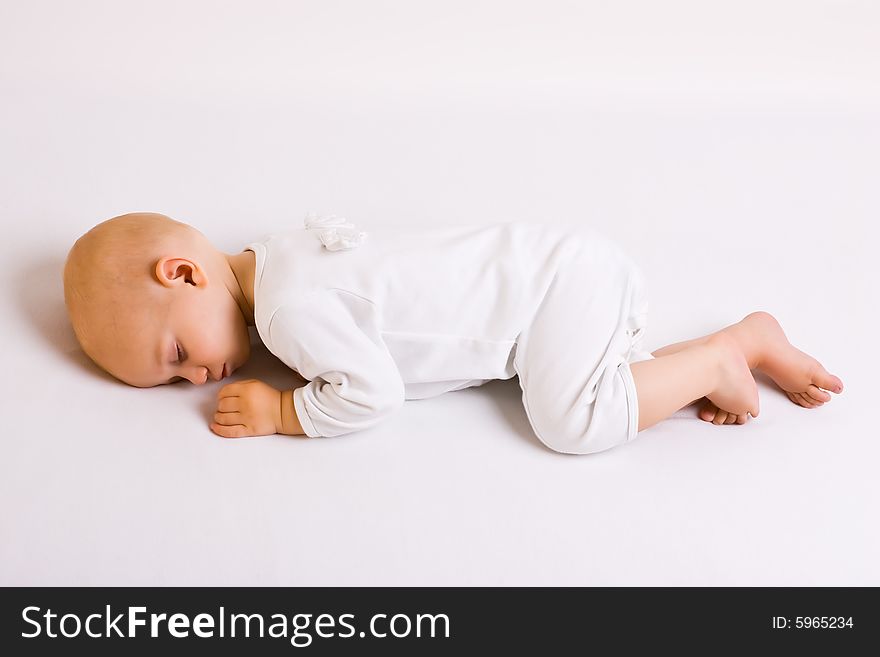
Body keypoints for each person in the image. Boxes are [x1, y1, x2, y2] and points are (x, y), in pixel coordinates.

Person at [62, 211, 844, 455]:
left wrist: (283, 412)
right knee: (609, 382)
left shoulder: (287, 313)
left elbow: (373, 392)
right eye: (172, 382)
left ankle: (724, 351)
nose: (194, 379)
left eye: (175, 357)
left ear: (184, 274)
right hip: (557, 274)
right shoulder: (278, 256)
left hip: (549, 297)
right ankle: (741, 343)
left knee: (572, 424)